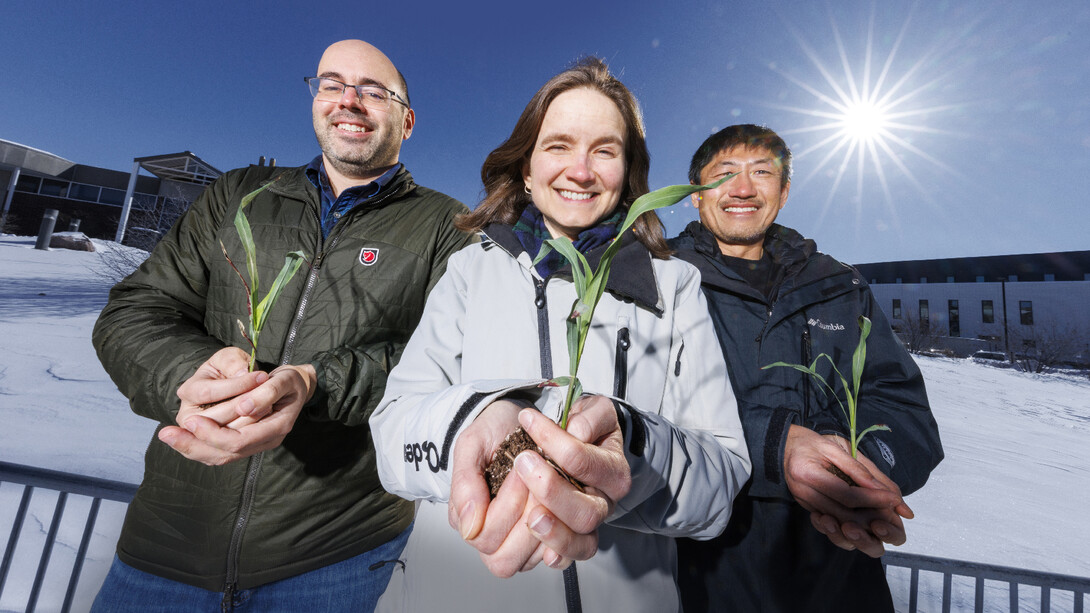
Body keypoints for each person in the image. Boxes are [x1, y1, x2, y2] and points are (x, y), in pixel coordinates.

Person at [90, 40, 475, 611]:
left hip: (334, 552)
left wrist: (315, 384)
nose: (350, 100)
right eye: (331, 83)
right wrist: (188, 374)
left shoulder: (450, 226)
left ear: (407, 120)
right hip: (167, 541)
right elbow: (135, 310)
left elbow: (451, 364)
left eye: (374, 91)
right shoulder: (240, 195)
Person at [367, 58, 751, 613]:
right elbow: (392, 436)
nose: (581, 170)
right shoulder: (470, 272)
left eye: (604, 150)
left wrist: (632, 451)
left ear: (629, 175)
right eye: (558, 145)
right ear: (526, 166)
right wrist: (475, 425)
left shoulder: (675, 285)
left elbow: (721, 484)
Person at [669, 124, 944, 612]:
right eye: (724, 173)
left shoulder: (838, 285)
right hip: (698, 577)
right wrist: (776, 446)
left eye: (762, 173)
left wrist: (859, 472)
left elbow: (905, 410)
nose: (743, 189)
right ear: (695, 194)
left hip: (840, 578)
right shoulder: (659, 279)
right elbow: (641, 409)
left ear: (784, 191)